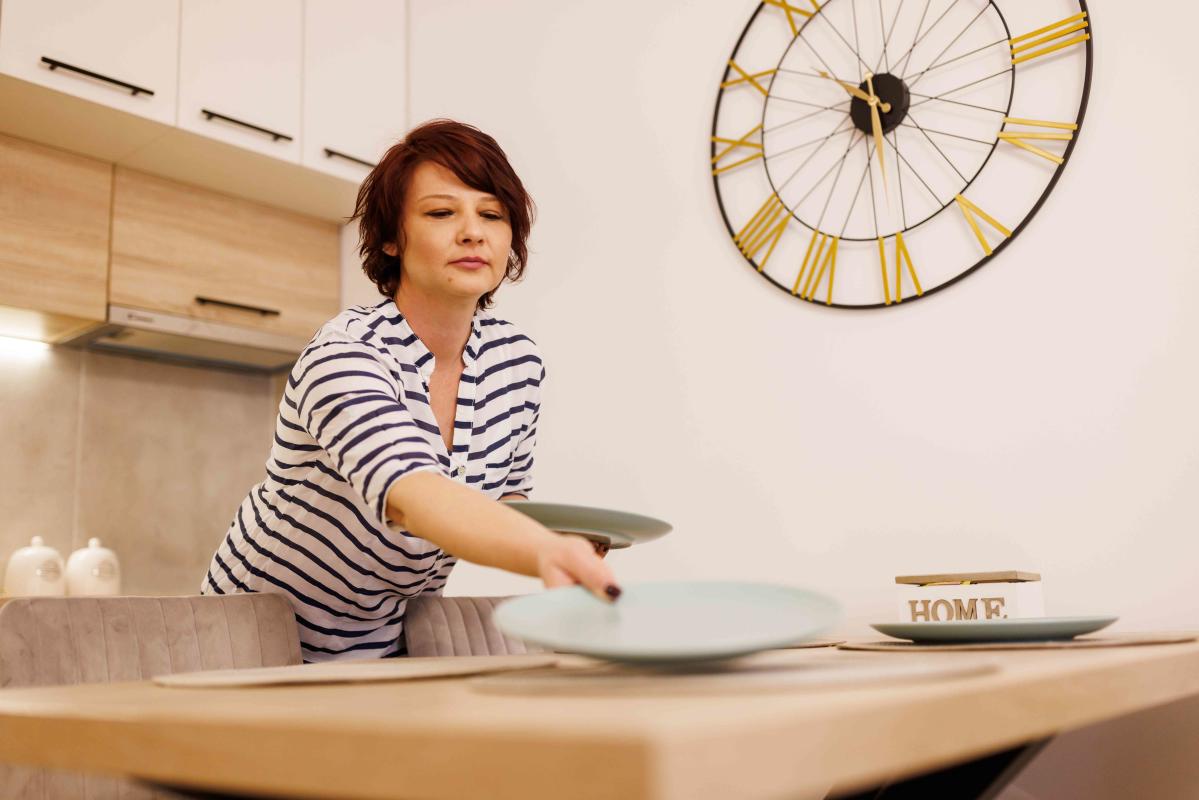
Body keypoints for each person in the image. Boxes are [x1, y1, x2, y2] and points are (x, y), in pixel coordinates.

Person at [201, 120, 620, 661]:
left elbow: (507, 497)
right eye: (441, 213)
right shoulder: (347, 352)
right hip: (252, 635)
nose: (473, 232)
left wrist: (568, 541)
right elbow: (415, 497)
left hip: (389, 638)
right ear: (393, 239)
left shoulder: (517, 363)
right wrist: (544, 551)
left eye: (492, 215)